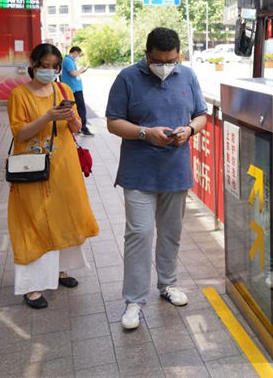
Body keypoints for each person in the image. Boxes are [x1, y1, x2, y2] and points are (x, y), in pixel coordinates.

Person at [106, 27, 208, 330]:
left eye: (171, 60)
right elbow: (113, 122)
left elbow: (201, 115)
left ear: (179, 55)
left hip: (175, 171)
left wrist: (189, 130)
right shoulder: (127, 78)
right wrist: (144, 132)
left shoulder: (187, 76)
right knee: (139, 234)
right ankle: (134, 301)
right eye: (159, 61)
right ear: (146, 55)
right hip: (138, 172)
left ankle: (167, 284)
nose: (165, 66)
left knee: (171, 232)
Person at [6, 43, 99, 309]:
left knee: (64, 215)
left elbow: (77, 127)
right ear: (33, 65)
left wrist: (70, 117)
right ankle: (31, 286)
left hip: (64, 167)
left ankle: (61, 271)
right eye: (43, 66)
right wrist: (47, 116)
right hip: (32, 169)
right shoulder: (18, 95)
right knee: (32, 223)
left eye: (53, 67)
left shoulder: (64, 89)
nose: (48, 71)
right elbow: (19, 133)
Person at [62, 45, 92, 135]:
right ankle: (83, 128)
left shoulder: (70, 60)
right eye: (78, 54)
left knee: (77, 109)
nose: (78, 56)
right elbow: (73, 73)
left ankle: (79, 127)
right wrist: (81, 70)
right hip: (73, 88)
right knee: (80, 108)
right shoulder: (68, 60)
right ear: (74, 52)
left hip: (75, 87)